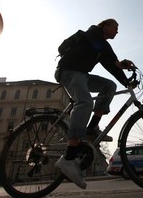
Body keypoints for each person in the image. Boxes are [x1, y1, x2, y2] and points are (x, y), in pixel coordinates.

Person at [54, 18, 135, 189]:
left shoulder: (102, 45)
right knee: (84, 102)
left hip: (82, 75)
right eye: (116, 27)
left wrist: (126, 81)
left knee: (109, 86)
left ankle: (92, 128)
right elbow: (109, 57)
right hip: (68, 71)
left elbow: (112, 66)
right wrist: (118, 63)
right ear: (105, 26)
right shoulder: (93, 33)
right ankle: (68, 158)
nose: (117, 31)